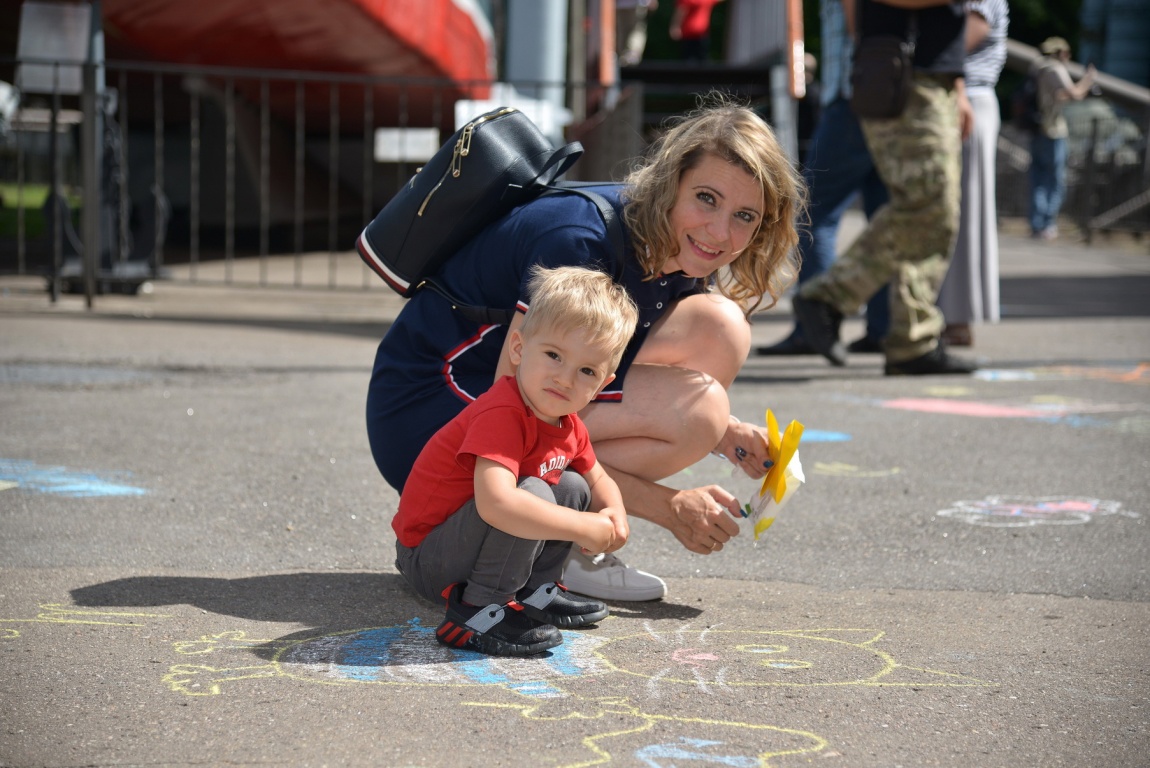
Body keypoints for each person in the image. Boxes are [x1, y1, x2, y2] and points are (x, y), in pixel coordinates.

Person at [367, 99, 804, 602]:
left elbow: (594, 364)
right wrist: (667, 506)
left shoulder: (675, 245)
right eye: (706, 198)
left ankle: (560, 529)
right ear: (671, 182)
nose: (720, 232)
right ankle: (558, 539)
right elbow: (511, 402)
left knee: (721, 328)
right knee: (700, 410)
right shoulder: (578, 241)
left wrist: (727, 434)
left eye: (744, 216)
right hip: (430, 414)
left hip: (515, 386)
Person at [393, 266, 637, 656]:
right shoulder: (502, 413)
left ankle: (534, 593)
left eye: (586, 370)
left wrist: (613, 513)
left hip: (468, 545)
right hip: (429, 557)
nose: (565, 379)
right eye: (554, 355)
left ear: (602, 384)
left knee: (572, 485)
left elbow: (598, 479)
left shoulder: (568, 424)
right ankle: (477, 610)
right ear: (519, 349)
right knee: (533, 491)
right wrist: (584, 526)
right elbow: (497, 503)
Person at [792, 0, 978, 377]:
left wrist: (957, 87)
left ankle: (912, 339)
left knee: (931, 216)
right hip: (905, 75)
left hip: (927, 76)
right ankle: (829, 298)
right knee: (926, 208)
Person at [758, 0, 891, 358]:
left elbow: (858, 25)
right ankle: (884, 327)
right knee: (884, 217)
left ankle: (814, 326)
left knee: (813, 212)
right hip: (884, 97)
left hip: (853, 96)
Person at [937, 0, 1009, 348]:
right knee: (953, 214)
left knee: (965, 217)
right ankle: (950, 317)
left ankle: (958, 318)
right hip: (961, 101)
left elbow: (954, 45)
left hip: (968, 103)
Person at [1028, 36, 1097, 241]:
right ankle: (1047, 225)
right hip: (1053, 131)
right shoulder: (1054, 68)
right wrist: (1088, 79)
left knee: (1038, 179)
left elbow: (1057, 96)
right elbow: (1075, 94)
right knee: (1055, 180)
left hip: (1037, 128)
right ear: (1060, 53)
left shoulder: (1036, 68)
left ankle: (1037, 224)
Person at [617, 0, 658, 68]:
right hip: (627, 5)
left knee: (633, 30)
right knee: (632, 30)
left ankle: (630, 55)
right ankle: (627, 56)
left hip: (629, 5)